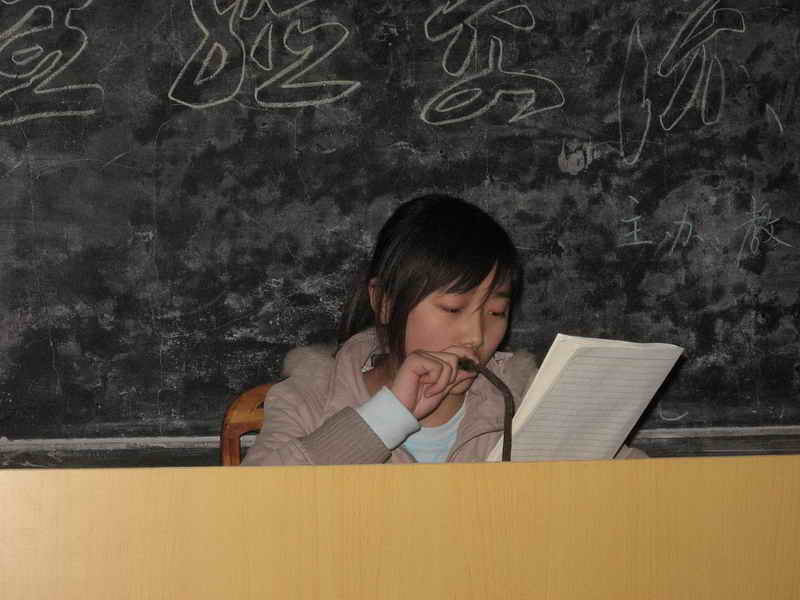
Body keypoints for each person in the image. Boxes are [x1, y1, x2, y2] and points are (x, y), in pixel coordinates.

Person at [242, 194, 644, 466]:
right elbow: (252, 511)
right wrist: (387, 416)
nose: (476, 336)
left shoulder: (526, 397)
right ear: (385, 302)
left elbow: (644, 493)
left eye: (496, 311)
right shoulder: (311, 396)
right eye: (453, 308)